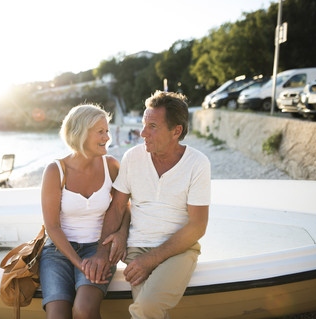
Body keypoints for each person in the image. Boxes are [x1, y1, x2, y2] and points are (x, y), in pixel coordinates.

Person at [82, 91, 211, 318]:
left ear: (176, 131)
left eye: (152, 126)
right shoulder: (133, 157)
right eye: (143, 124)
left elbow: (197, 226)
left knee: (146, 308)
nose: (142, 133)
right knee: (147, 309)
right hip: (137, 249)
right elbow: (118, 207)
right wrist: (102, 252)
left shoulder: (198, 164)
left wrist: (151, 260)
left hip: (179, 250)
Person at [40, 104, 128, 319]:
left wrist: (121, 235)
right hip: (57, 252)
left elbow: (124, 207)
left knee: (84, 310)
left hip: (98, 249)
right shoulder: (55, 171)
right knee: (57, 316)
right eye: (101, 132)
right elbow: (52, 226)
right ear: (80, 133)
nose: (107, 137)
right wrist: (79, 264)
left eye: (107, 131)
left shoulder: (111, 166)